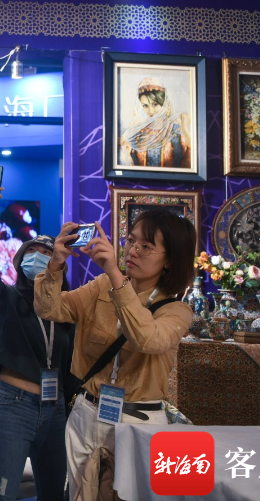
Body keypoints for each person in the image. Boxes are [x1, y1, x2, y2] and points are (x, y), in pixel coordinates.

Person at [34, 209, 195, 501]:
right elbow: (50, 309)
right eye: (131, 240)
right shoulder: (101, 286)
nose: (133, 250)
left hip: (138, 422)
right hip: (87, 412)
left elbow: (146, 339)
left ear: (170, 259)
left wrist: (115, 275)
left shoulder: (177, 310)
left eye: (146, 246)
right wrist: (55, 263)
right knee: (80, 495)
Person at [0, 172, 70, 501]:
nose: (37, 257)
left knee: (56, 492)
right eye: (30, 252)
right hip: (13, 406)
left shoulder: (68, 307)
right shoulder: (7, 298)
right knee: (3, 493)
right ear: (20, 262)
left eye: (45, 253)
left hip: (56, 410)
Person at [118, 77, 191, 168]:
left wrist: (185, 129)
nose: (151, 111)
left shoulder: (177, 130)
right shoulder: (138, 133)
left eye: (155, 104)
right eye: (145, 106)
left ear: (164, 103)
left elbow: (190, 161)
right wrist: (124, 147)